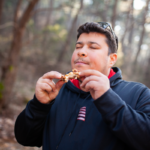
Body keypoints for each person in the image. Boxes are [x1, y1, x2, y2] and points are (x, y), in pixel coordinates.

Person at [14, 22, 150, 150]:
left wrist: (108, 99)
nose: (81, 52)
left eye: (93, 47)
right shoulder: (57, 91)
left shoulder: (138, 94)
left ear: (112, 59)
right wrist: (39, 105)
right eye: (78, 47)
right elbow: (25, 138)